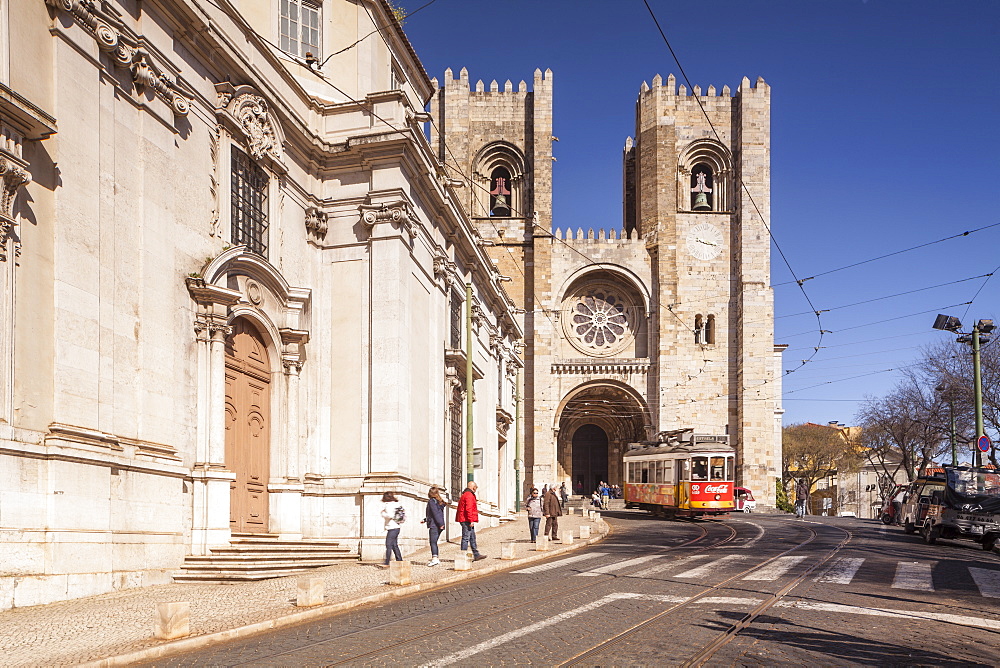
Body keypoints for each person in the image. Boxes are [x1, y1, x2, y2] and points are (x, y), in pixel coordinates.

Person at [456, 481, 486, 561]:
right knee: (466, 538)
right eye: (476, 488)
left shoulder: (466, 494)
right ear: (473, 487)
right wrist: (471, 520)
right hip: (466, 520)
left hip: (466, 519)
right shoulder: (469, 495)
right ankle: (463, 556)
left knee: (472, 537)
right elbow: (468, 509)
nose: (476, 489)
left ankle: (476, 554)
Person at [379, 491, 404, 568]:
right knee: (394, 545)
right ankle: (399, 560)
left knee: (388, 544)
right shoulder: (397, 504)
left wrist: (383, 513)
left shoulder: (388, 505)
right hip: (397, 526)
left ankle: (387, 562)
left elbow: (390, 515)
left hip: (392, 527)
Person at [424, 486, 446, 567]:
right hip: (439, 524)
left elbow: (435, 513)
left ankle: (435, 558)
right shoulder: (439, 502)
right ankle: (435, 558)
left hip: (435, 525)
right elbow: (434, 514)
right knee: (434, 542)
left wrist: (440, 524)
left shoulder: (431, 502)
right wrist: (425, 520)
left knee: (433, 542)